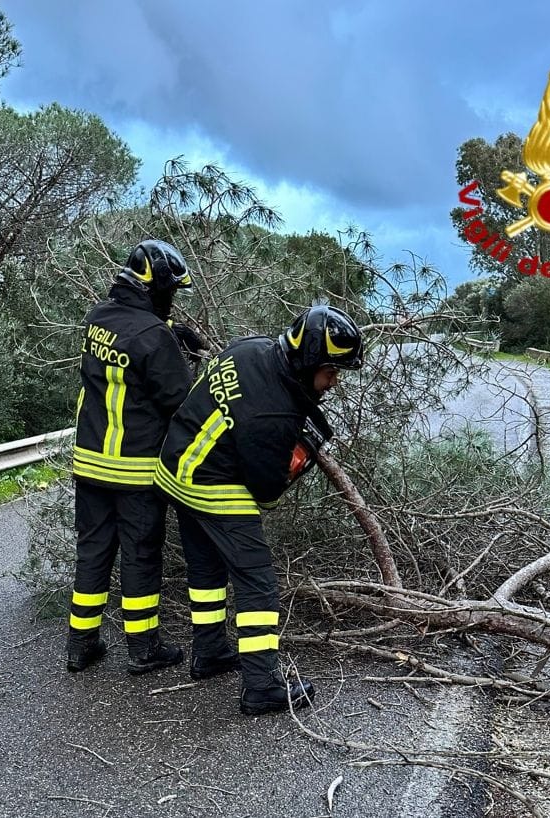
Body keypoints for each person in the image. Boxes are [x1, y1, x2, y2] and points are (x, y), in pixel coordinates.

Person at [155, 305, 364, 714]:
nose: (335, 382)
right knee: (258, 584)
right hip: (209, 482)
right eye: (332, 371)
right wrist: (298, 457)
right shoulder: (274, 415)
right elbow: (267, 494)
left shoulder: (251, 348)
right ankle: (262, 685)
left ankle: (210, 651)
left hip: (174, 465)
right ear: (308, 363)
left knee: (207, 570)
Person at [66, 239, 205, 674]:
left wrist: (170, 336)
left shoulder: (98, 319)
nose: (173, 298)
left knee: (93, 553)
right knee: (140, 557)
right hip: (135, 470)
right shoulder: (153, 336)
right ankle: (143, 648)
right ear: (154, 287)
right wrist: (187, 358)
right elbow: (179, 401)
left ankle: (80, 645)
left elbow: (128, 355)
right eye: (171, 291)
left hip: (90, 463)